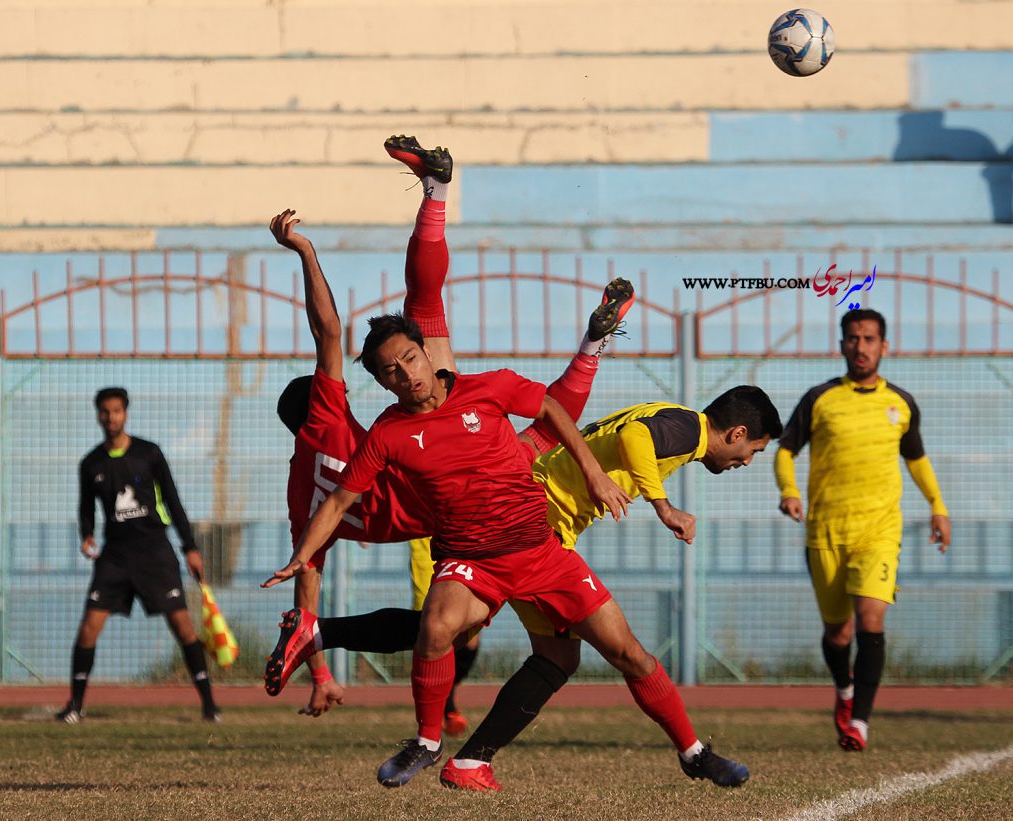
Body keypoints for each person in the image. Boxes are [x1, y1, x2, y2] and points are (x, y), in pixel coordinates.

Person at [263, 314, 759, 794]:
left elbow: (551, 409)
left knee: (625, 653)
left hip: (541, 550)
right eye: (390, 371)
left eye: (410, 358)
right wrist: (300, 557)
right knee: (438, 627)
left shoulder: (489, 387)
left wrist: (593, 473)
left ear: (426, 354)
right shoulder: (389, 434)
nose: (406, 374)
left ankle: (694, 753)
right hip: (472, 560)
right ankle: (427, 742)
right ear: (382, 382)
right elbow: (339, 501)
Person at [269, 134, 635, 722]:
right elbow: (329, 332)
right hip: (464, 506)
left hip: (453, 516)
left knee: (441, 626)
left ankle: (591, 343)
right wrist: (306, 253)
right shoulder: (329, 415)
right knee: (436, 316)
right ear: (315, 402)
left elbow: (308, 573)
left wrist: (317, 670)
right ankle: (438, 192)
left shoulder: (300, 493)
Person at [775, 308, 952, 751]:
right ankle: (845, 689)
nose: (861, 346)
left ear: (884, 346)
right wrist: (789, 491)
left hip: (879, 529)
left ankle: (861, 723)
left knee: (870, 619)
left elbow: (917, 460)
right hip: (826, 531)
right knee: (838, 633)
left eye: (870, 339)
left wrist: (938, 507)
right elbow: (785, 450)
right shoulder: (819, 398)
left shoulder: (902, 403)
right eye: (853, 338)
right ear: (841, 345)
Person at [57, 387, 219, 723]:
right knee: (89, 626)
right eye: (105, 411)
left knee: (183, 627)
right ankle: (75, 706)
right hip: (115, 556)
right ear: (98, 414)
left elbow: (173, 502)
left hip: (154, 552)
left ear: (125, 413)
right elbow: (86, 507)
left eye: (117, 410)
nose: (111, 417)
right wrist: (86, 533)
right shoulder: (91, 463)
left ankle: (209, 705)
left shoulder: (149, 454)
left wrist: (190, 547)